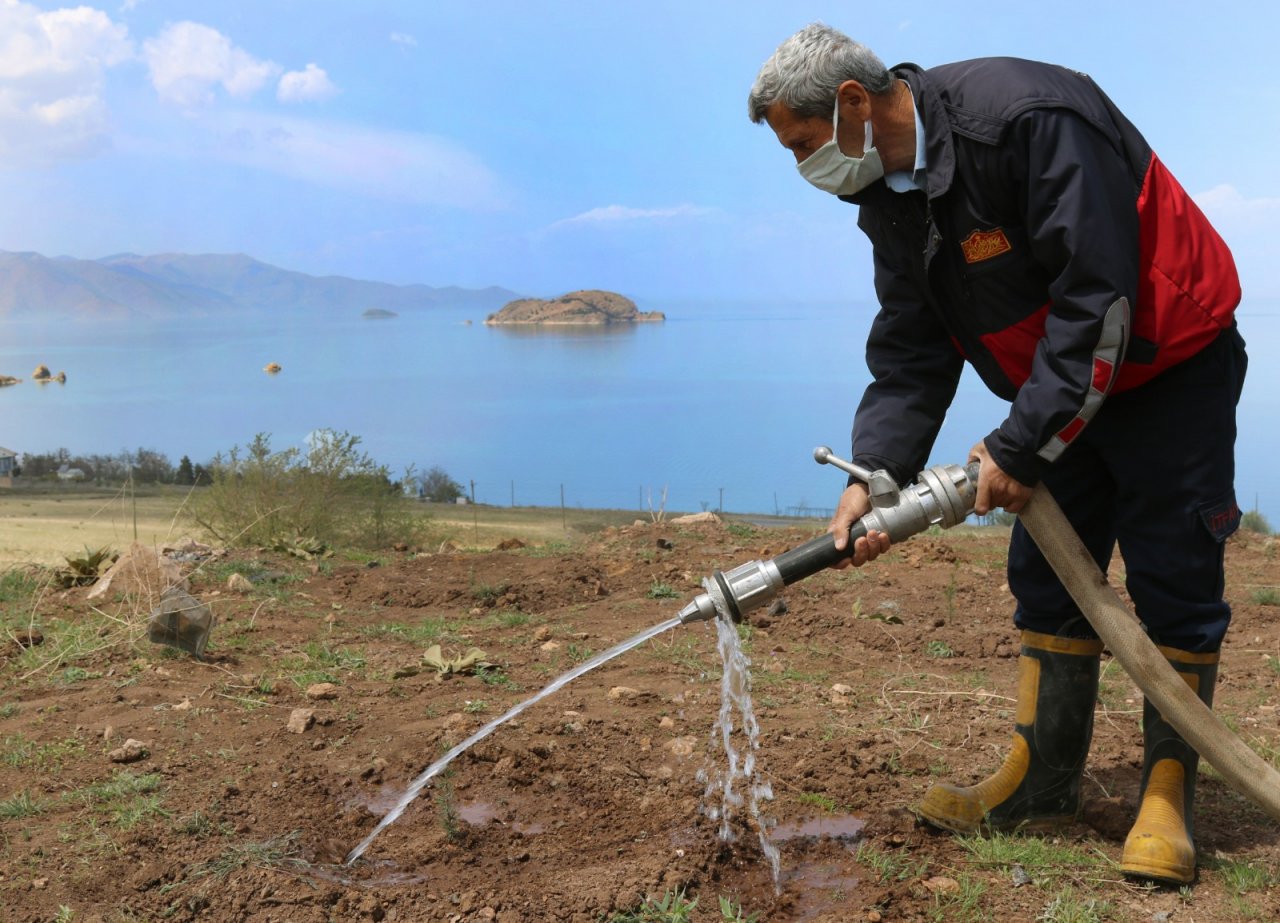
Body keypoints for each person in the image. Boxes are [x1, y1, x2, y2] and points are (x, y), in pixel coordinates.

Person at [748, 24, 1247, 885]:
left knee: (1174, 571)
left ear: (854, 104)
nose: (804, 168)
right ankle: (1041, 780)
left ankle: (1168, 790)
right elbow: (912, 342)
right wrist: (878, 472)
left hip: (1168, 357)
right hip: (1067, 375)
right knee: (1049, 573)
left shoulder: (1026, 119)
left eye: (802, 143)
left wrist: (1020, 442)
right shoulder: (885, 193)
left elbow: (1099, 296)